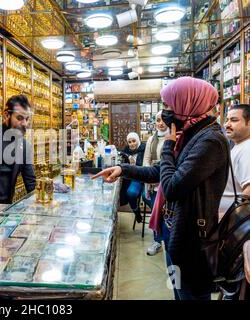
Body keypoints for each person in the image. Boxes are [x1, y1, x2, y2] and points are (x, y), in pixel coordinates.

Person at [92, 77, 229, 300]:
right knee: (177, 290)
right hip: (174, 232)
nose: (166, 112)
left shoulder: (210, 141)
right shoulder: (191, 134)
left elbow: (173, 186)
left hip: (192, 242)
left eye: (169, 105)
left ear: (188, 104)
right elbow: (160, 172)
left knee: (190, 295)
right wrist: (123, 169)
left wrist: (167, 146)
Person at [143, 111, 170, 256]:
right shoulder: (151, 139)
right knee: (154, 206)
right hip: (152, 182)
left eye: (163, 120)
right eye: (158, 120)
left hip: (166, 181)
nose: (160, 123)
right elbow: (146, 159)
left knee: (161, 210)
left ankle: (163, 239)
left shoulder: (173, 137)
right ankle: (157, 240)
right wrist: (149, 176)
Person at [219, 104, 250, 220]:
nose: (227, 124)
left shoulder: (247, 149)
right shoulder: (240, 146)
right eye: (227, 120)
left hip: (235, 228)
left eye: (234, 120)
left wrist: (230, 219)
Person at [119, 132, 146, 223]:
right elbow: (121, 152)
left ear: (138, 140)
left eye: (134, 141)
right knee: (127, 192)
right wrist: (128, 155)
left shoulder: (144, 148)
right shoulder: (127, 150)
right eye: (129, 142)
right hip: (131, 178)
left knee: (131, 193)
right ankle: (136, 211)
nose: (132, 144)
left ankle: (137, 212)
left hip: (141, 177)